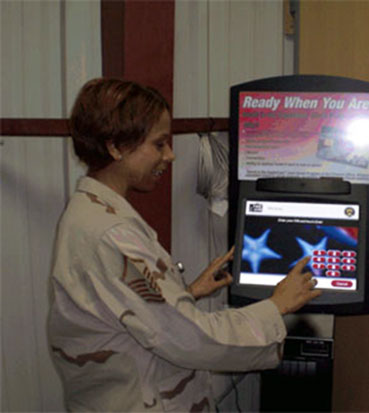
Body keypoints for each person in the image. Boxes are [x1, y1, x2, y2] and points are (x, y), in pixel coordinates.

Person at [47, 78, 322, 411]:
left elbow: (127, 311)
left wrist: (187, 292)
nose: (171, 155)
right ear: (116, 147)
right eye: (159, 144)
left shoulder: (91, 212)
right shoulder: (111, 234)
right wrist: (276, 305)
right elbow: (190, 339)